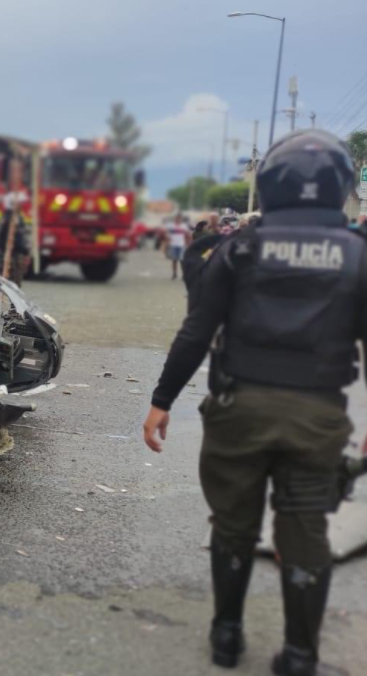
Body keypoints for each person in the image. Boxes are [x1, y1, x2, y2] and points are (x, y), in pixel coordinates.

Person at [142, 130, 364, 676]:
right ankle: (299, 657)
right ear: (341, 187)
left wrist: (161, 400)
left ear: (269, 185)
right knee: (305, 528)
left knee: (234, 525)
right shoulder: (358, 254)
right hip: (317, 418)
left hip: (239, 410)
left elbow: (197, 330)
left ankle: (226, 636)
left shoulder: (240, 247)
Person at [164, 214, 190, 279]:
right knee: (174, 260)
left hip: (181, 245)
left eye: (179, 218)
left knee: (182, 261)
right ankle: (174, 274)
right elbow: (167, 236)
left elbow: (187, 235)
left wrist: (188, 243)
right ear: (175, 219)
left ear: (181, 219)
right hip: (173, 245)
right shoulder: (171, 226)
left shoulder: (184, 226)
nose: (178, 220)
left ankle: (184, 274)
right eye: (177, 218)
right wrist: (167, 244)